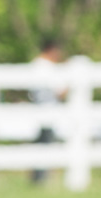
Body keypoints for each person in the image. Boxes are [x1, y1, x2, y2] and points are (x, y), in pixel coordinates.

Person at [29, 39, 65, 184]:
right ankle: (42, 178)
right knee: (46, 144)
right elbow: (60, 91)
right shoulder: (47, 67)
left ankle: (37, 177)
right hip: (49, 112)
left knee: (39, 144)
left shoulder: (34, 65)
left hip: (36, 110)